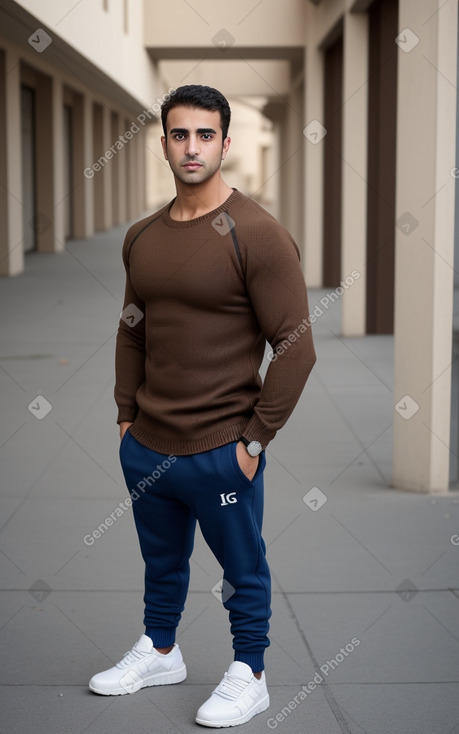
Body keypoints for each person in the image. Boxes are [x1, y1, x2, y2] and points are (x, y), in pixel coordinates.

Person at [89, 84, 316, 728]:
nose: (192, 147)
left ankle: (251, 672)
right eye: (180, 134)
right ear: (163, 143)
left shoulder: (258, 235)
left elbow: (296, 350)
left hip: (221, 449)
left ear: (225, 142)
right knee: (160, 562)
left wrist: (253, 442)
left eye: (205, 135)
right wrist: (126, 417)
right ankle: (161, 650)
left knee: (243, 569)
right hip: (149, 445)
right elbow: (133, 327)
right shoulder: (142, 236)